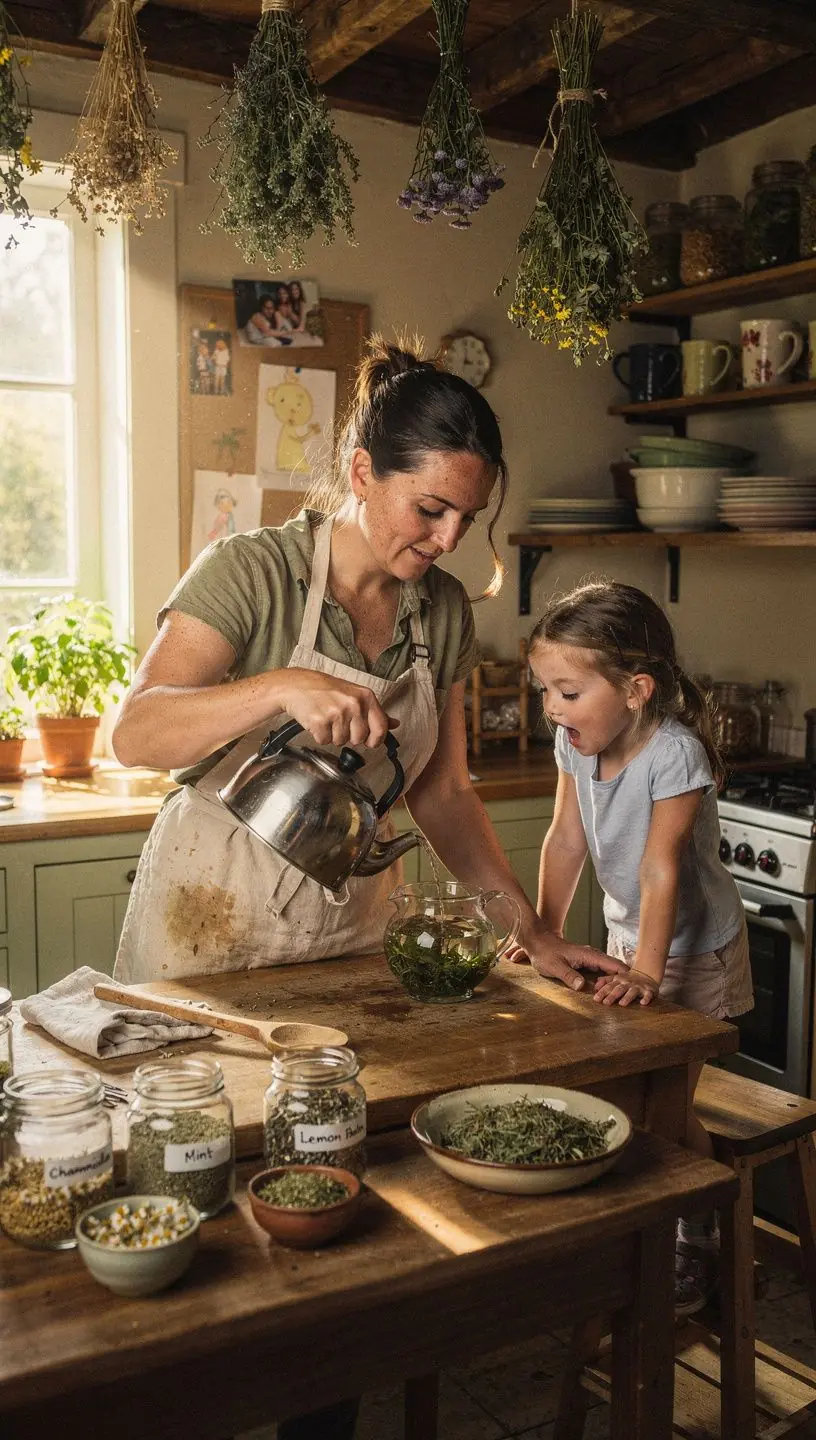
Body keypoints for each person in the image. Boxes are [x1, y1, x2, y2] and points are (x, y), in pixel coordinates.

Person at [112, 340, 624, 1439]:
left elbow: (442, 795)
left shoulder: (436, 612)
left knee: (327, 1211)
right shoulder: (249, 573)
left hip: (345, 937)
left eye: (463, 522)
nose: (442, 544)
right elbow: (133, 729)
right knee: (199, 1202)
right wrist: (282, 686)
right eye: (427, 510)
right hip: (209, 934)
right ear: (359, 472)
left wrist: (531, 931)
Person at [525, 579, 753, 1315]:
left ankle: (699, 1238)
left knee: (659, 1102)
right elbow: (564, 840)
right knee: (633, 1092)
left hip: (692, 951)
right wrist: (541, 932)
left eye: (566, 691)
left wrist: (649, 971)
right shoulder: (576, 744)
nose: (552, 710)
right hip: (634, 941)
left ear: (636, 690)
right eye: (545, 691)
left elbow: (661, 868)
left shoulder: (674, 753)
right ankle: (650, 1232)